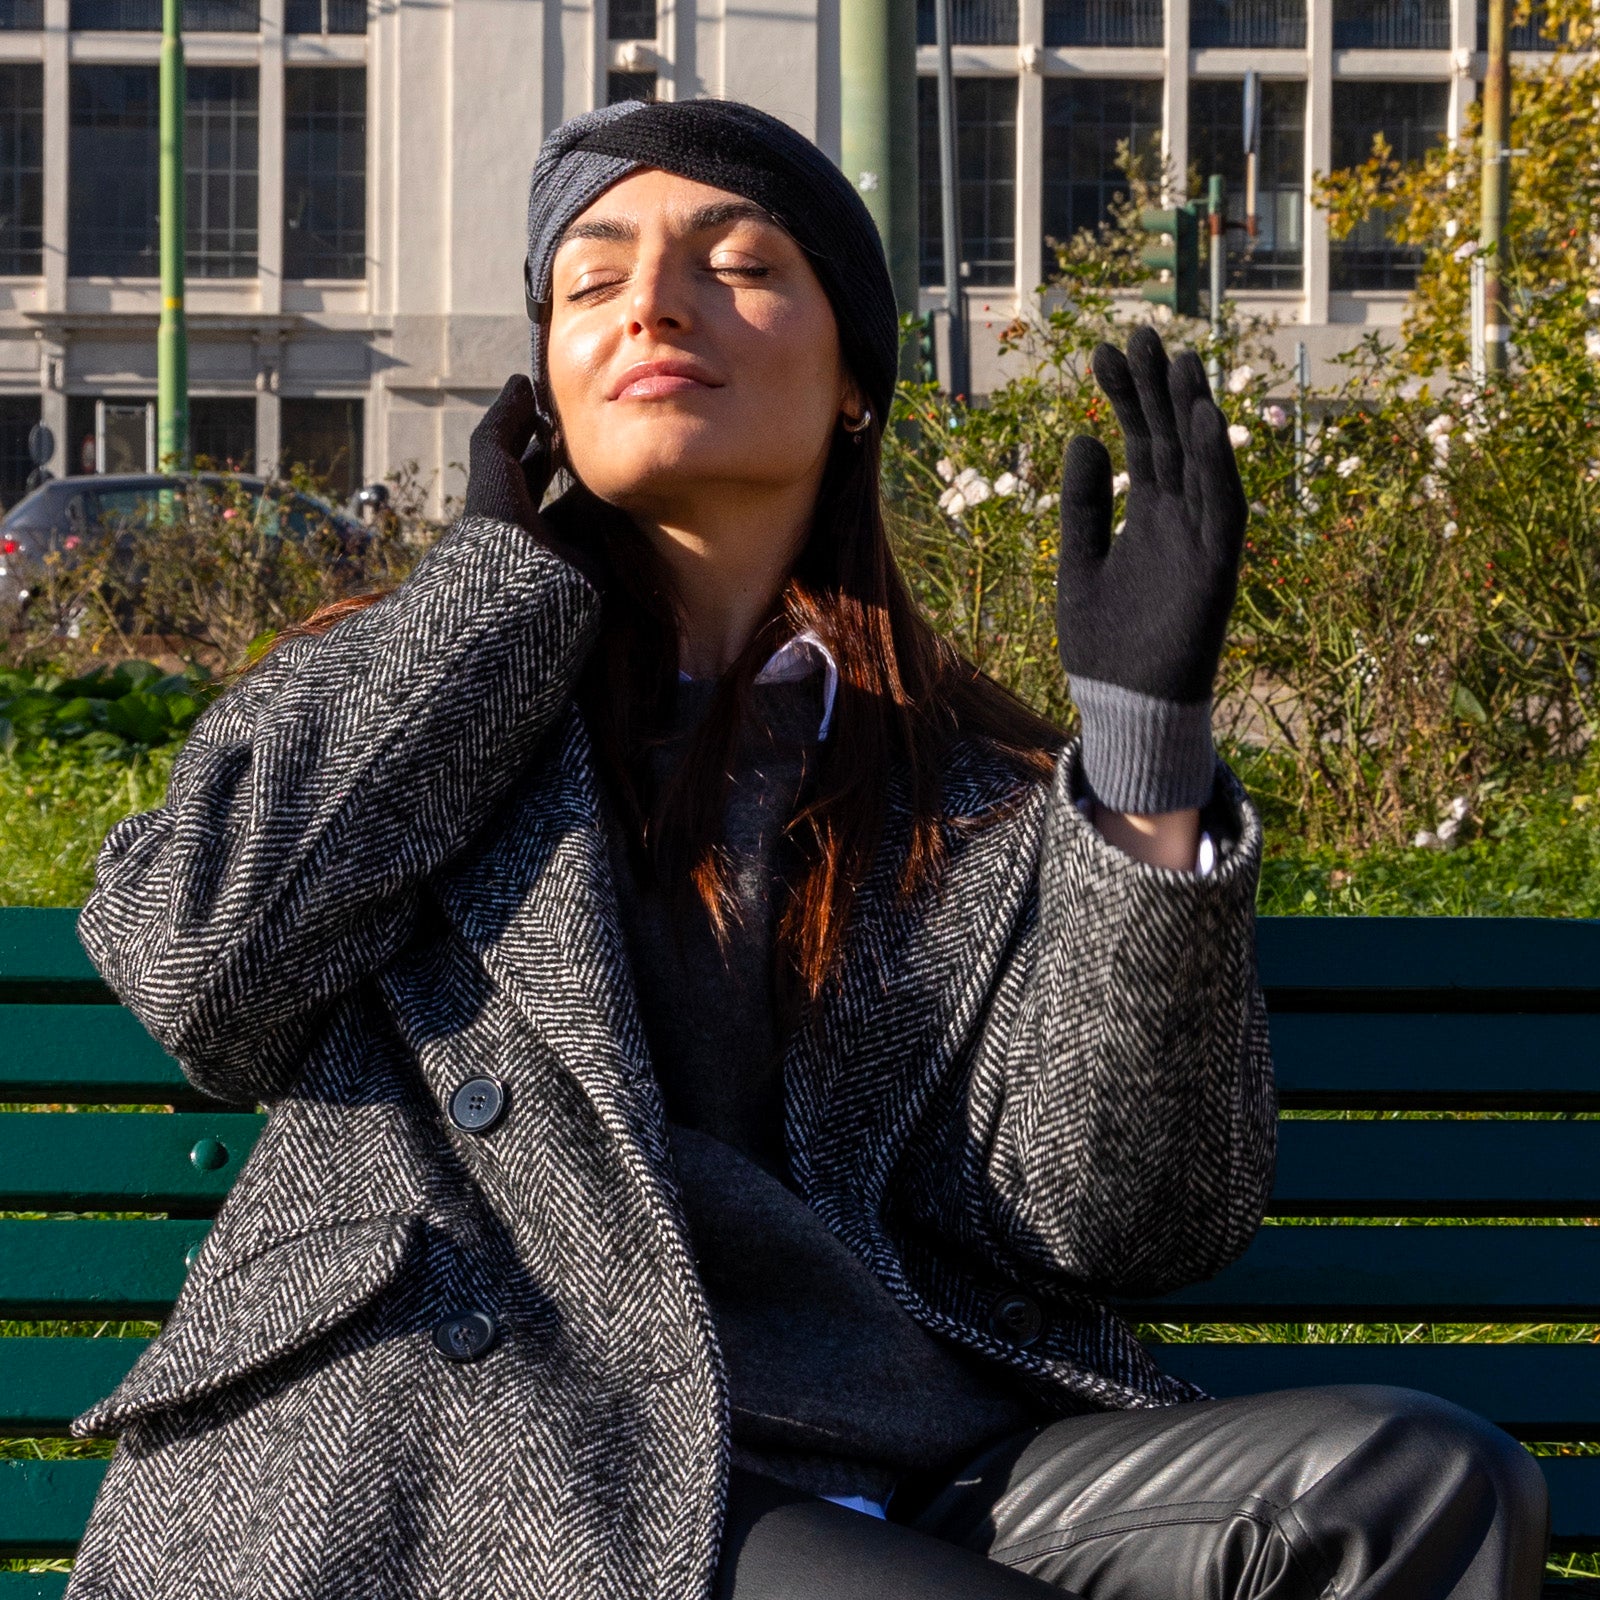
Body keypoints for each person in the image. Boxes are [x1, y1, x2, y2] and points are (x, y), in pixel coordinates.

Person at [62, 98, 1547, 1600]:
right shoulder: (410, 700)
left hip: (919, 1462)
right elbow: (198, 970)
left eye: (740, 265)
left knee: (1419, 1486)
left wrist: (1144, 749)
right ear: (547, 389)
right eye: (592, 280)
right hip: (497, 1458)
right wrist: (492, 600)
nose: (653, 304)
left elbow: (1120, 1223)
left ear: (853, 385)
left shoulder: (966, 787)